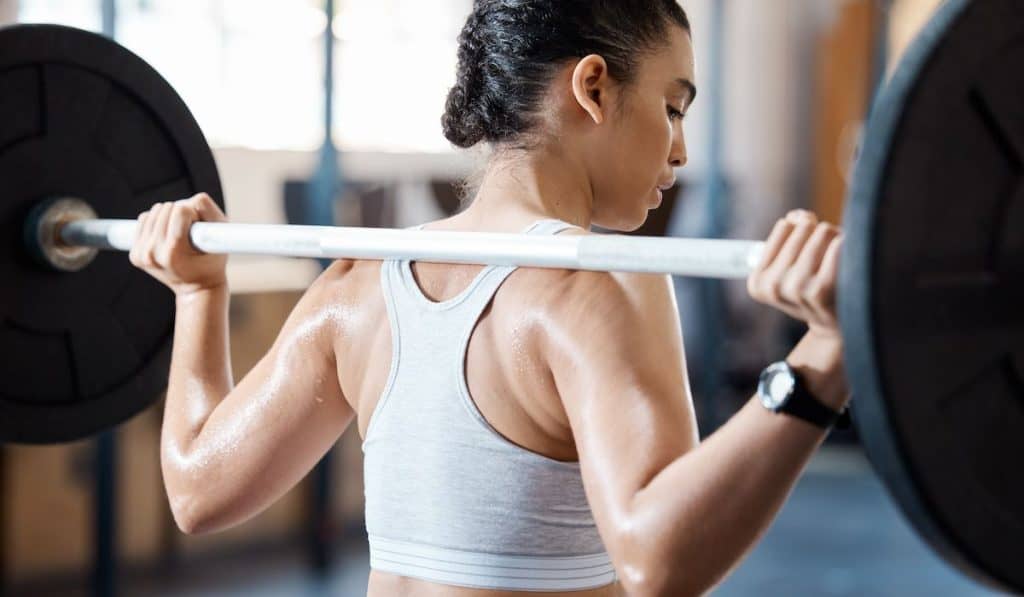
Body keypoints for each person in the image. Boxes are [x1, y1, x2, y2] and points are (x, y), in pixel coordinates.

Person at [130, 1, 849, 595]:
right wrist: (820, 359)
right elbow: (658, 556)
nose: (680, 150)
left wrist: (198, 292)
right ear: (593, 87)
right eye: (672, 106)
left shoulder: (356, 287)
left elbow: (198, 487)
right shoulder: (602, 284)